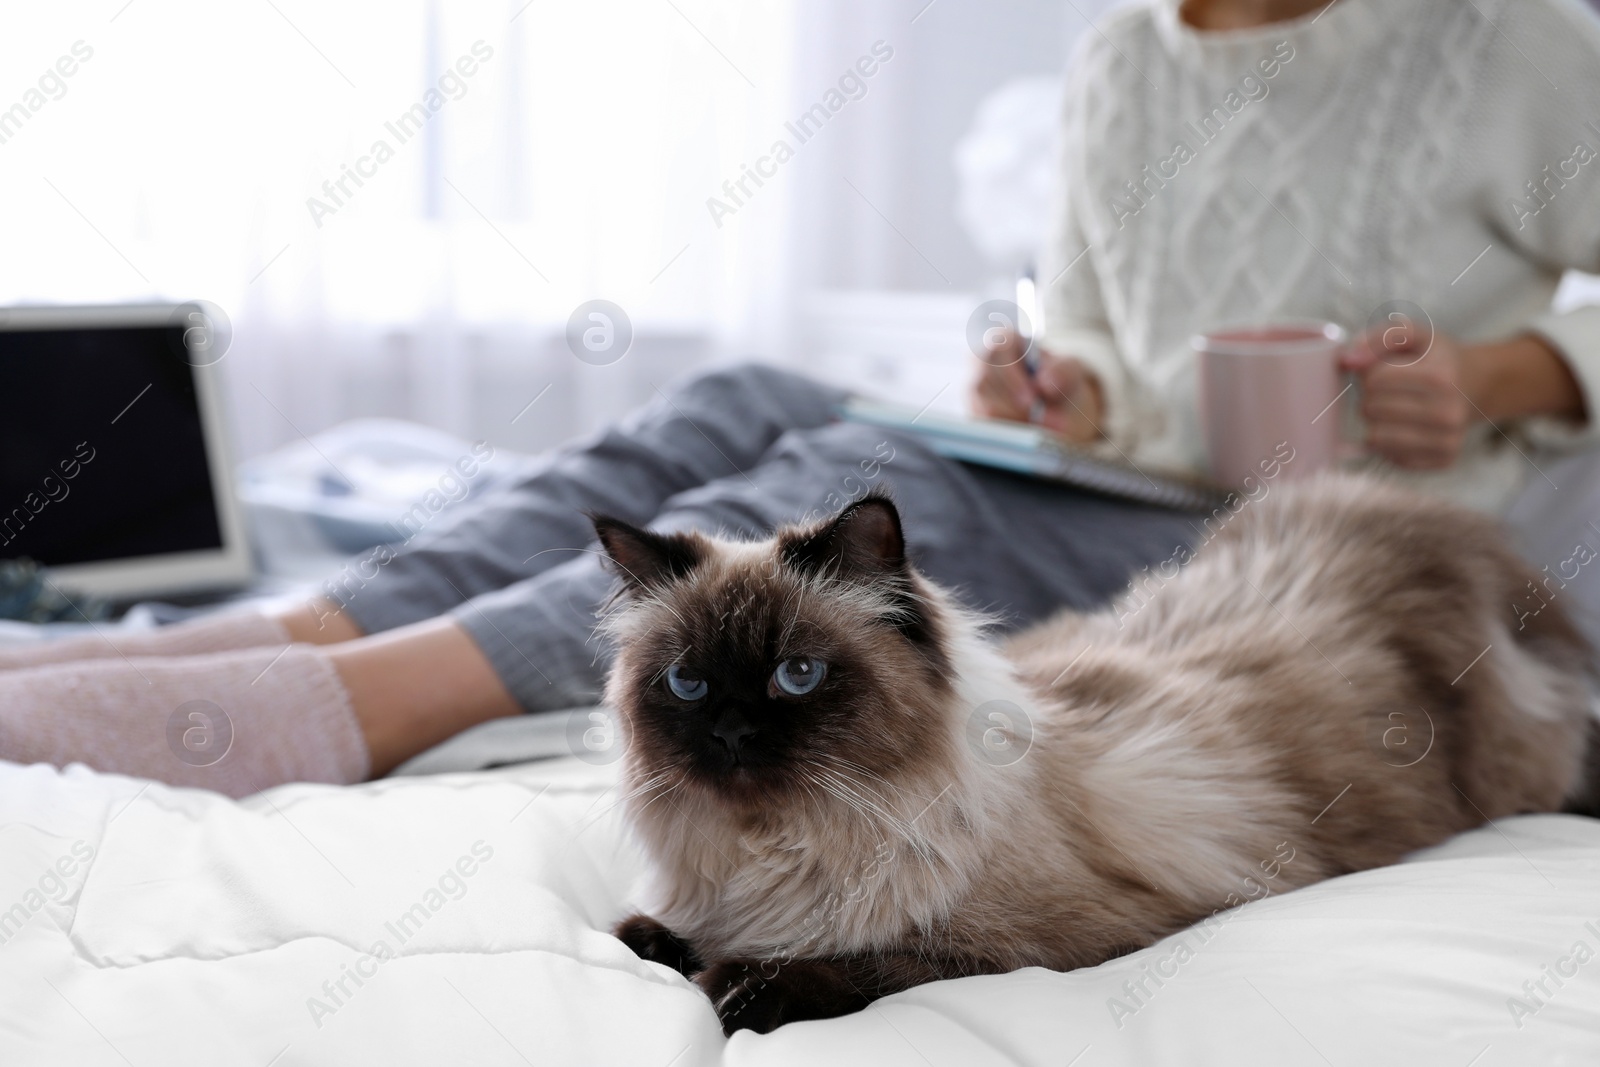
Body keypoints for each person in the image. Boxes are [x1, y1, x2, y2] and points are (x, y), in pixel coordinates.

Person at [3, 0, 1598, 797]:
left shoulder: (1506, 41)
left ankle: (369, 705)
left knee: (848, 495)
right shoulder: (1127, 53)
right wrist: (1053, 378)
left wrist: (1505, 371)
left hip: (1306, 554)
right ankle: (287, 636)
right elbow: (1111, 345)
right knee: (736, 397)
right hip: (1130, 481)